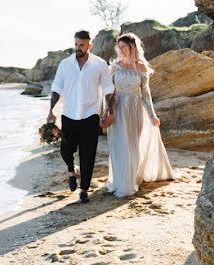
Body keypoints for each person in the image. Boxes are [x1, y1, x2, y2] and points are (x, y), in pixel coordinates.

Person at [47, 30, 115, 203]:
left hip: (91, 115)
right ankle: (72, 170)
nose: (78, 48)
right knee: (65, 150)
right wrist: (51, 111)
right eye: (76, 44)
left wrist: (110, 111)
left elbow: (108, 89)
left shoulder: (99, 64)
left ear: (89, 46)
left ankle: (84, 189)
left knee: (88, 153)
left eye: (82, 45)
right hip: (69, 114)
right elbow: (56, 89)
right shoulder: (65, 64)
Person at [106, 32, 173, 197]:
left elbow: (145, 93)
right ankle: (122, 183)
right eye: (119, 46)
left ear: (132, 47)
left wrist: (152, 114)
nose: (120, 50)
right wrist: (108, 111)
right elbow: (108, 92)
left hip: (136, 111)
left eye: (124, 46)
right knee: (120, 146)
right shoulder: (114, 67)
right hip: (119, 110)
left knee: (133, 146)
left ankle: (132, 178)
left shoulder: (141, 68)